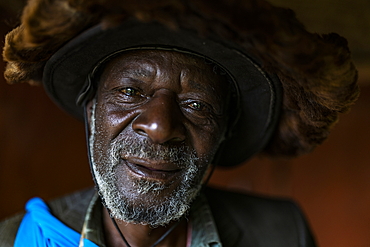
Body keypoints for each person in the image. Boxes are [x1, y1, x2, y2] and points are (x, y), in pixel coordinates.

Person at [0, 0, 359, 246]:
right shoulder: (17, 239)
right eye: (129, 91)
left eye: (196, 105)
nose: (159, 126)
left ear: (223, 132)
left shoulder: (281, 234)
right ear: (93, 111)